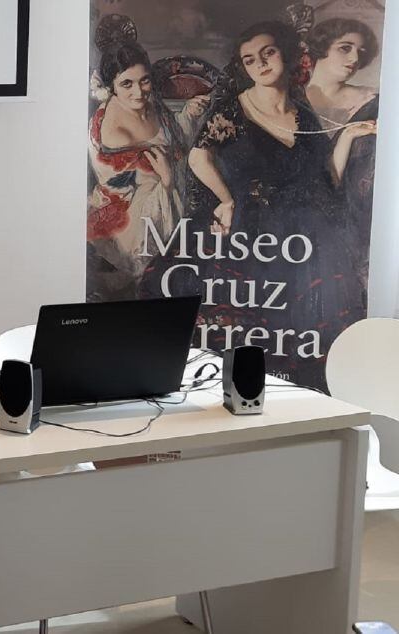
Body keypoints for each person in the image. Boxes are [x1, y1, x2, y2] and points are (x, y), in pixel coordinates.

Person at [176, 21, 368, 386]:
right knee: (250, 324)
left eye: (268, 53)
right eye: (250, 60)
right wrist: (226, 199)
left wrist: (347, 136)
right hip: (254, 229)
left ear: (285, 54)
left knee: (302, 324)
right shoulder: (233, 110)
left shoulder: (302, 112)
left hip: (303, 230)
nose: (261, 64)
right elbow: (198, 158)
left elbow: (327, 178)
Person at [87, 40, 208, 300]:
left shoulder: (149, 103)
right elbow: (148, 189)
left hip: (164, 190)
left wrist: (189, 114)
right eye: (126, 84)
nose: (138, 92)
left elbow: (173, 143)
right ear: (112, 86)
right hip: (132, 217)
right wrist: (167, 180)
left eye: (144, 81)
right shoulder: (116, 132)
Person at [306, 18, 380, 276]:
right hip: (300, 226)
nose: (354, 58)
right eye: (345, 48)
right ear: (321, 47)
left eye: (360, 51)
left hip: (355, 226)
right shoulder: (288, 101)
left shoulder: (375, 103)